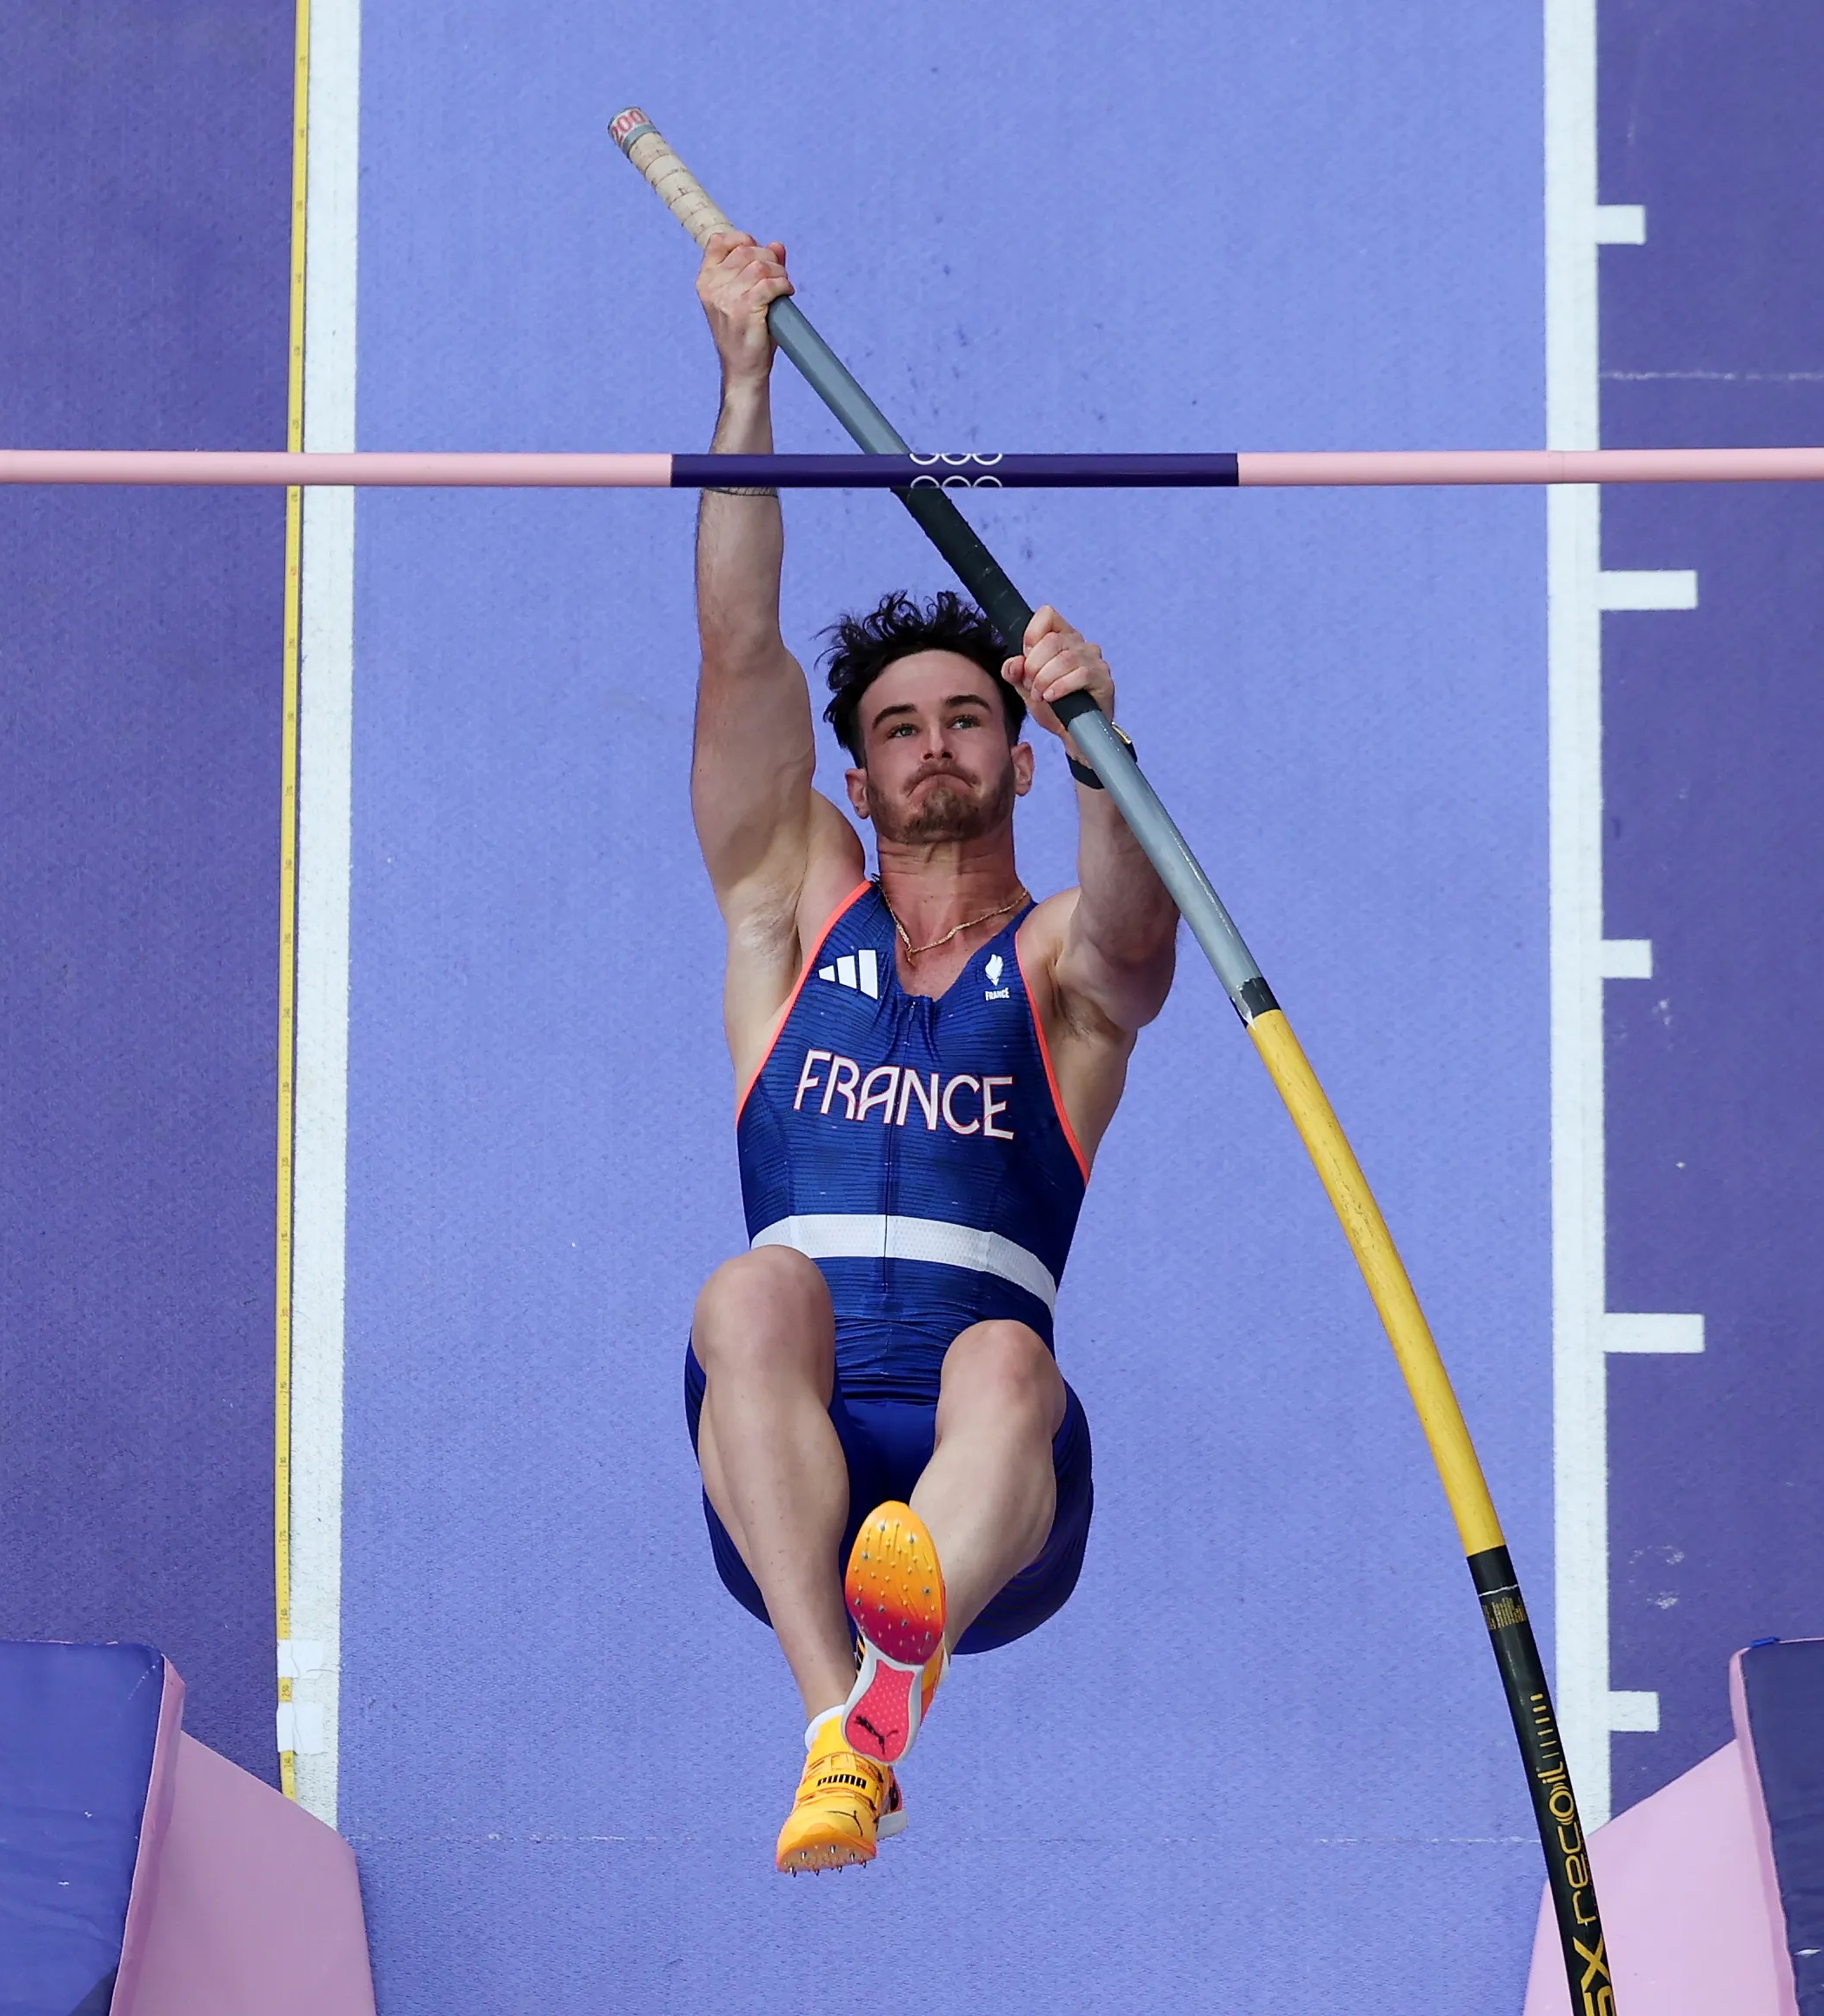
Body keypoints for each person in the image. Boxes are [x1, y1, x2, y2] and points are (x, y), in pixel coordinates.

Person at [683, 226, 1182, 1873]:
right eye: (897, 728)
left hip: (997, 1495)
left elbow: (1132, 940)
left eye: (969, 716)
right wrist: (746, 377)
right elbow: (742, 652)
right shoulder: (791, 909)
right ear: (858, 776)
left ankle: (900, 1666)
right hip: (794, 1458)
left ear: (1018, 758)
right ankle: (846, 1730)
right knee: (750, 1291)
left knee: (1003, 1362)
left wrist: (1106, 750)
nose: (932, 745)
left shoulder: (1055, 970)